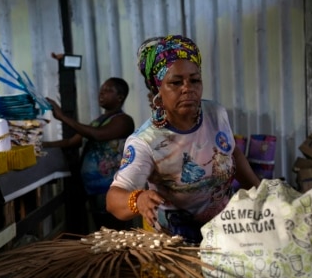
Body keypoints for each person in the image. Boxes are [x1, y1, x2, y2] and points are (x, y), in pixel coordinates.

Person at [106, 35, 261, 244]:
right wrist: (138, 200)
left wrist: (260, 192)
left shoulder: (215, 113)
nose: (188, 88)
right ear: (157, 90)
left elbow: (231, 152)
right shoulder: (146, 141)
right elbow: (113, 200)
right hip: (177, 242)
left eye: (195, 80)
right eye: (176, 82)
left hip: (225, 230)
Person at [44, 77, 136, 231]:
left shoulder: (123, 121)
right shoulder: (98, 121)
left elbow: (97, 135)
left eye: (108, 90)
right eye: (101, 89)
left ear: (120, 97)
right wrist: (42, 145)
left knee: (115, 231)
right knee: (102, 229)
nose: (101, 93)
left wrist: (62, 117)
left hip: (110, 188)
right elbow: (72, 142)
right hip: (92, 188)